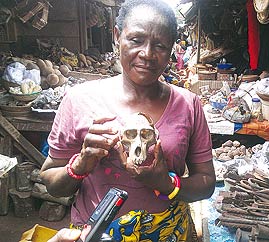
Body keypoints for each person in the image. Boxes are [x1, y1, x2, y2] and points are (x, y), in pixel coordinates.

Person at [39, 0, 216, 241]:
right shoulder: (78, 100)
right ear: (116, 36)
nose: (147, 54)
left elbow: (206, 184)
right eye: (136, 40)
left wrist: (165, 183)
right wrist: (80, 164)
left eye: (160, 45)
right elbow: (50, 182)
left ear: (172, 49)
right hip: (96, 232)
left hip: (166, 232)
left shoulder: (188, 104)